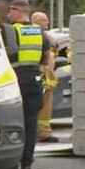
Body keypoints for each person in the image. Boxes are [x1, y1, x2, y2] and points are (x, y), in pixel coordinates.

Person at [4, 0, 49, 169]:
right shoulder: (39, 31)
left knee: (11, 123)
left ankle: (9, 162)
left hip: (15, 80)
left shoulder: (10, 31)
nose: (9, 14)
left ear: (19, 11)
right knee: (30, 123)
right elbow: (46, 58)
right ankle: (27, 164)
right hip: (33, 80)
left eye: (11, 10)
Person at [31, 11, 59, 143]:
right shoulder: (37, 36)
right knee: (38, 107)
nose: (47, 22)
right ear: (35, 22)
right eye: (44, 20)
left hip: (47, 79)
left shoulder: (46, 36)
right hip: (40, 78)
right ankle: (41, 132)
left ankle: (44, 132)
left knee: (45, 108)